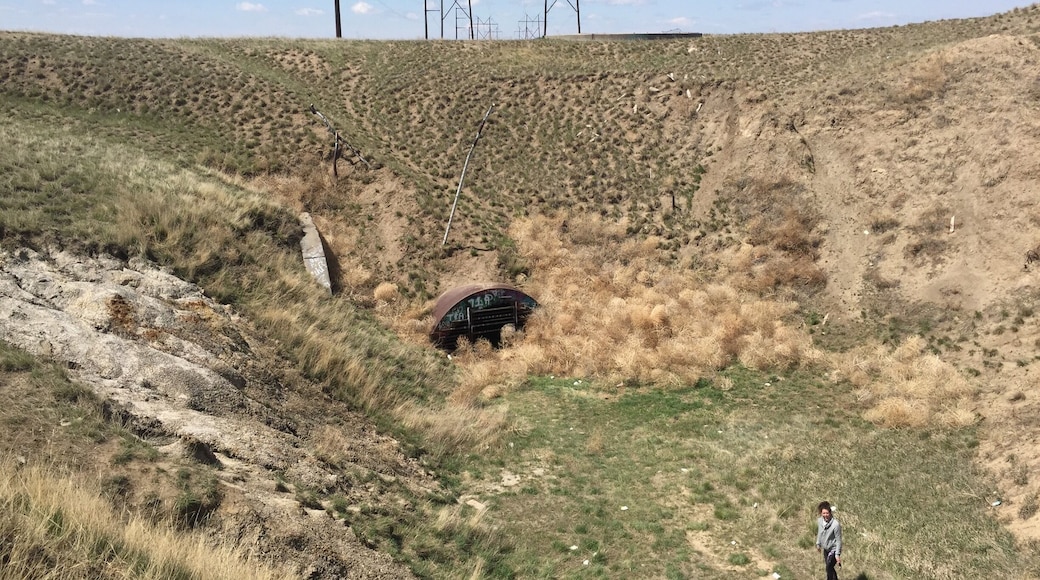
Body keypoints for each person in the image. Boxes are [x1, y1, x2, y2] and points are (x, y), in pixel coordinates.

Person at [816, 501, 842, 580]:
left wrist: (837, 554)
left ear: (830, 512)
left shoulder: (835, 524)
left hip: (833, 550)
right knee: (829, 568)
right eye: (823, 513)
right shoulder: (820, 521)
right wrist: (818, 543)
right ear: (821, 513)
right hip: (826, 549)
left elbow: (838, 540)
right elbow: (820, 532)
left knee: (829, 567)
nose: (825, 515)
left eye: (827, 513)